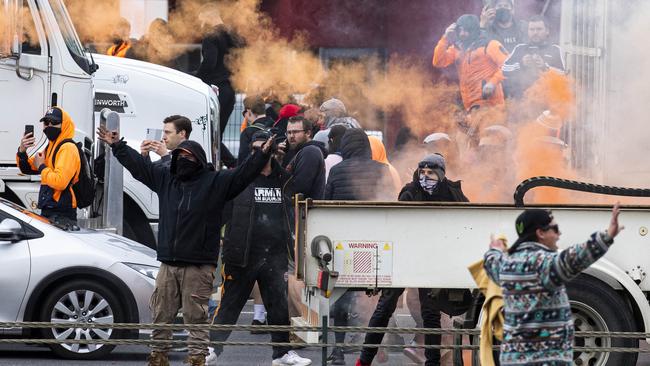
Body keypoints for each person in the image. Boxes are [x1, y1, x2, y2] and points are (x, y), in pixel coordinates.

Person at [96, 123, 275, 366]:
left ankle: (196, 360)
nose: (183, 160)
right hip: (168, 264)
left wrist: (262, 154)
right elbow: (139, 167)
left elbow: (243, 174)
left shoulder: (215, 182)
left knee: (196, 320)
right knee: (161, 316)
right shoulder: (166, 179)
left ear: (199, 160)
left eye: (188, 156)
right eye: (180, 156)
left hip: (198, 266)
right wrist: (118, 145)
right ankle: (158, 359)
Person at [208, 130, 311, 366]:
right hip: (242, 254)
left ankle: (282, 354)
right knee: (229, 305)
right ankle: (212, 348)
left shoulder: (283, 178)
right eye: (255, 149)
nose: (259, 153)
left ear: (273, 150)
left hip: (275, 254)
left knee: (278, 305)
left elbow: (297, 202)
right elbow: (219, 215)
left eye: (263, 148)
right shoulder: (237, 178)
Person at [356, 153, 468, 366]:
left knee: (431, 313)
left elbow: (465, 222)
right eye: (422, 172)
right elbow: (400, 222)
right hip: (405, 255)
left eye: (431, 173)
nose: (426, 177)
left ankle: (432, 363)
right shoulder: (409, 190)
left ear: (441, 174)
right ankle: (364, 360)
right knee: (385, 307)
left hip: (433, 258)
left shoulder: (453, 192)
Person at [483, 204, 624, 365]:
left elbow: (491, 262)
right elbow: (578, 256)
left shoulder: (505, 264)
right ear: (540, 233)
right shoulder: (545, 264)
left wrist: (494, 250)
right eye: (555, 228)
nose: (559, 234)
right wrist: (607, 236)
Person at [325, 128, 396, 364]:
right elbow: (390, 205)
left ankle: (337, 350)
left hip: (344, 244)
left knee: (341, 299)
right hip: (375, 244)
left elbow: (327, 205)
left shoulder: (336, 170)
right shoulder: (383, 170)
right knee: (376, 299)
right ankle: (380, 346)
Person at [17, 107, 80, 225]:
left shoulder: (67, 148)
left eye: (54, 122)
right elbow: (27, 168)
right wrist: (22, 150)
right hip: (50, 209)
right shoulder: (51, 146)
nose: (49, 126)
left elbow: (60, 182)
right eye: (46, 122)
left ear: (64, 125)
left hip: (62, 213)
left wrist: (41, 167)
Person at [433, 14, 509, 112]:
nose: (462, 33)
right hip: (470, 106)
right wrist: (445, 38)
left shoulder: (489, 44)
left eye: (465, 30)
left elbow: (509, 65)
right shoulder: (457, 48)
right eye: (459, 30)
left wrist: (492, 83)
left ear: (473, 30)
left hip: (491, 106)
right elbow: (438, 62)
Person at [196, 3, 242, 168]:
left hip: (217, 91)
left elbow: (209, 63)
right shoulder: (234, 36)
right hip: (230, 91)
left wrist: (195, 79)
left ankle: (233, 166)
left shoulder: (211, 36)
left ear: (209, 16)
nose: (201, 24)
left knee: (210, 136)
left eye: (202, 19)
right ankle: (231, 166)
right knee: (217, 136)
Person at [502, 15, 566, 99]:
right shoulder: (519, 48)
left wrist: (544, 67)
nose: (535, 32)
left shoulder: (555, 49)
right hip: (521, 101)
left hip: (547, 101)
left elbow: (563, 75)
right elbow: (504, 69)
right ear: (528, 31)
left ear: (547, 31)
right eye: (532, 29)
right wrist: (521, 64)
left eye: (539, 29)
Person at [283, 116, 327, 199]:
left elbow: (299, 189)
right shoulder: (300, 151)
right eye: (289, 132)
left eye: (295, 132)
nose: (291, 136)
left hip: (306, 209)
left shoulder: (310, 152)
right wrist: (279, 159)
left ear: (308, 133)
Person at [238, 95, 276, 164]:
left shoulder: (247, 133)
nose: (245, 117)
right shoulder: (276, 127)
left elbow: (242, 163)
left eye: (244, 113)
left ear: (249, 112)